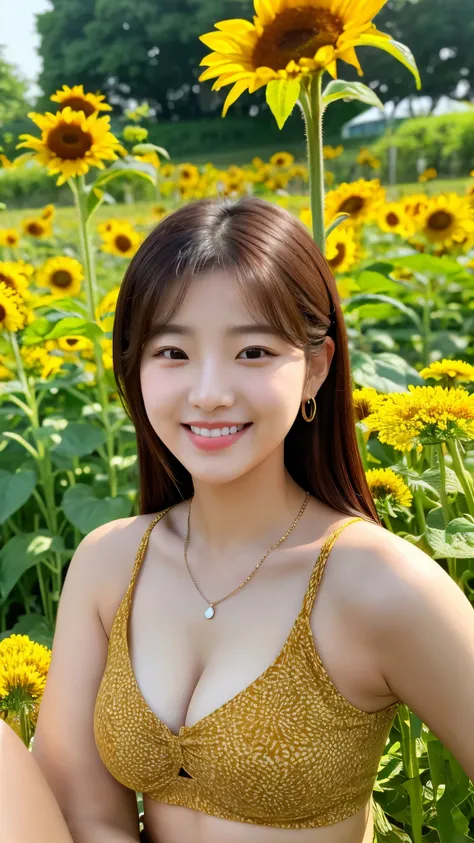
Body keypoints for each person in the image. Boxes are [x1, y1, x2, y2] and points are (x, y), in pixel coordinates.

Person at [2, 196, 473, 843]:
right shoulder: (109, 562)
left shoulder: (378, 581)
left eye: (251, 351)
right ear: (133, 368)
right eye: (173, 352)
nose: (209, 391)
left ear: (315, 367)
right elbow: (82, 812)